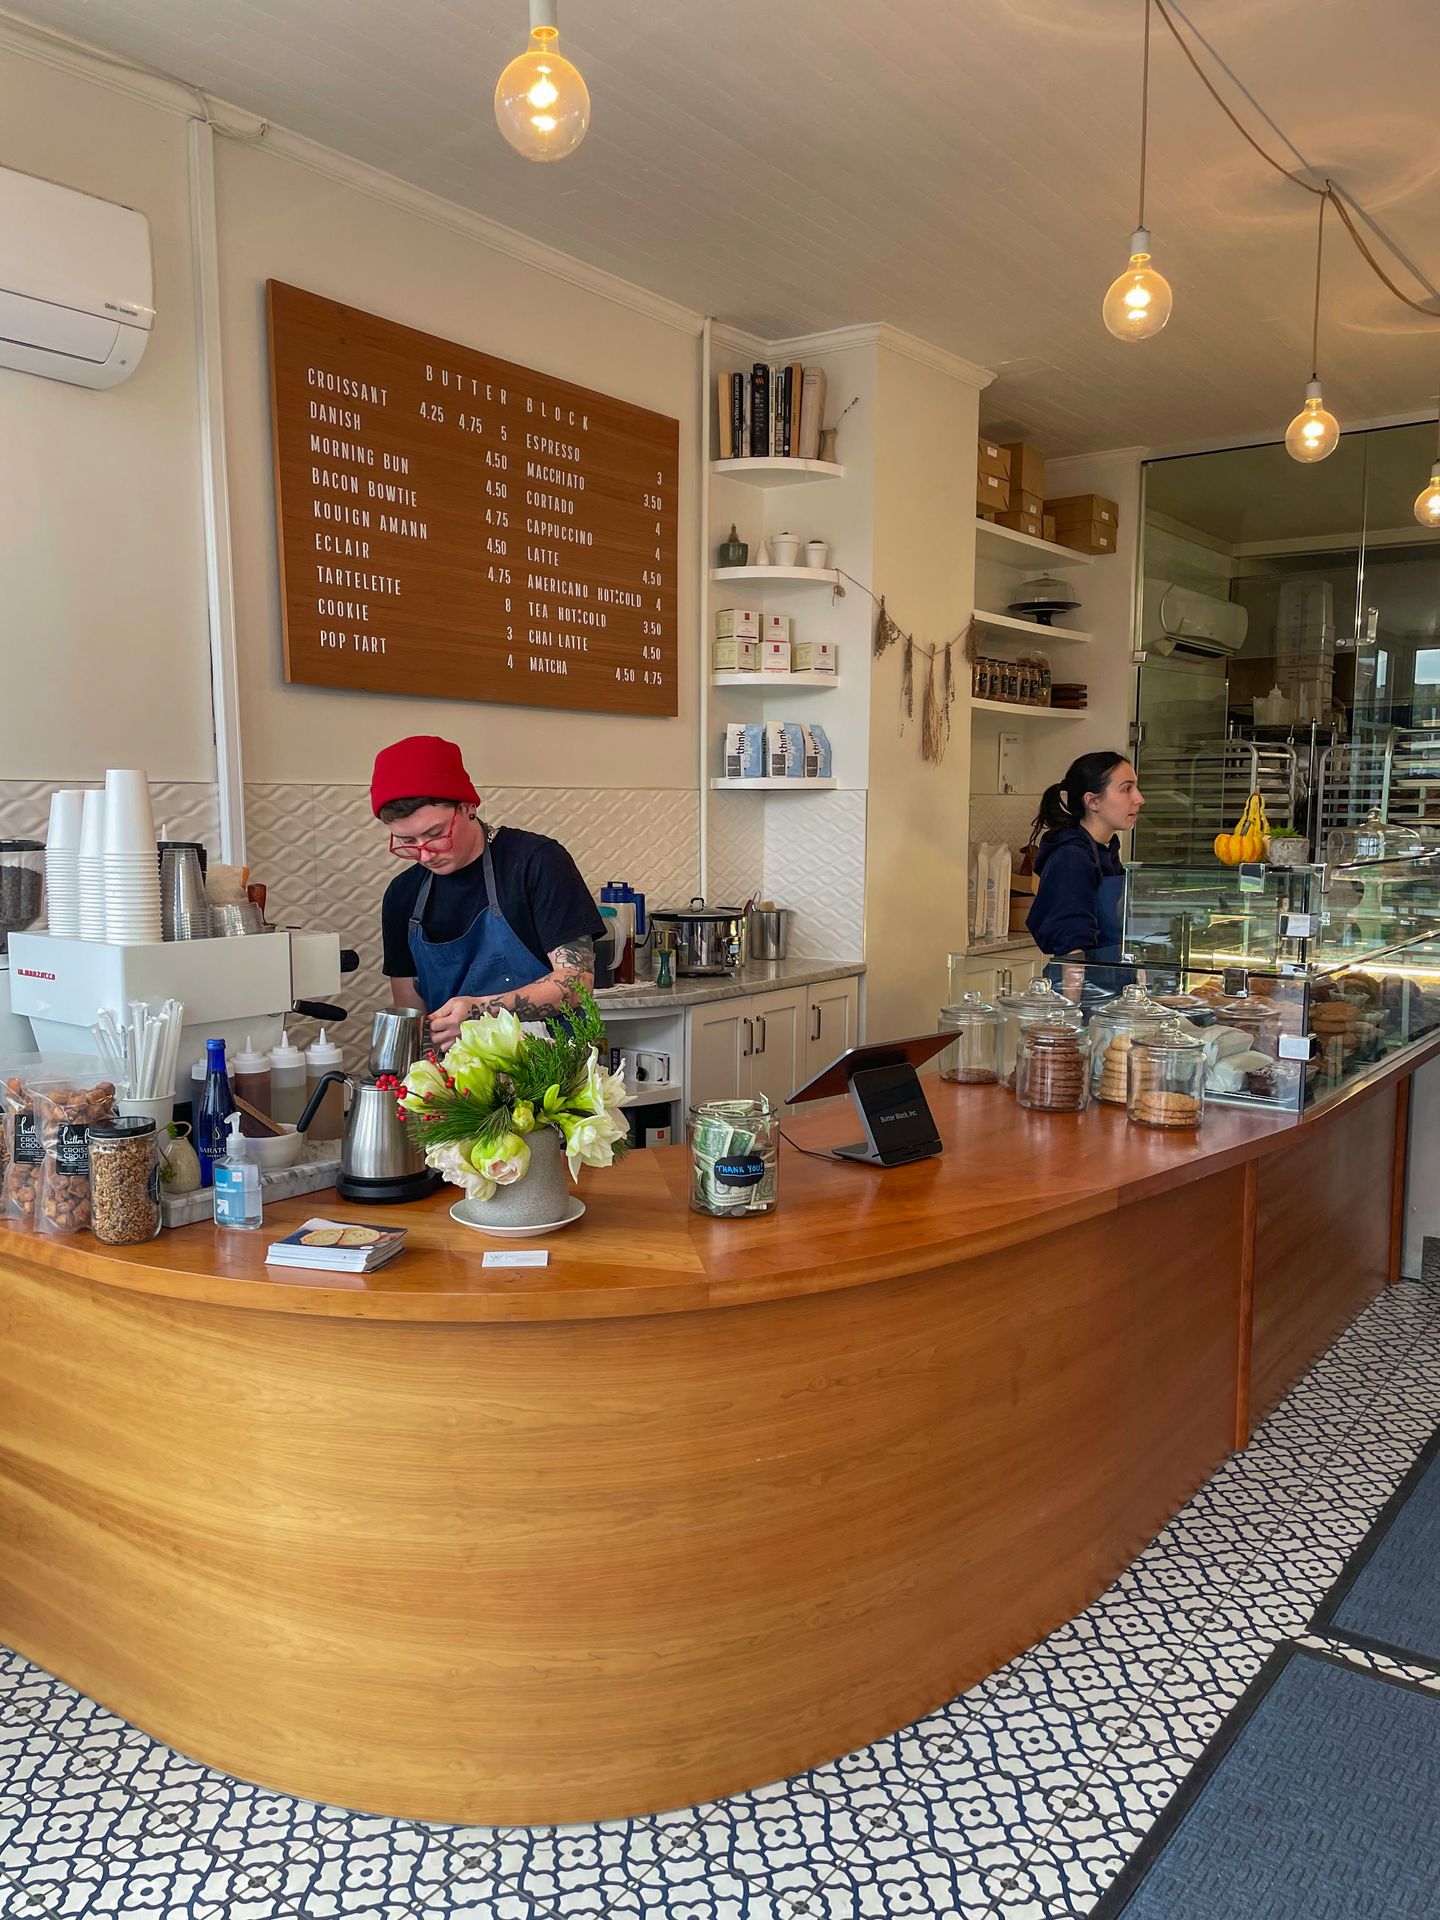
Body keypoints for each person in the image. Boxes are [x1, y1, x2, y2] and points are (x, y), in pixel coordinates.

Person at [372, 735, 604, 1050]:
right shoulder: (402, 895)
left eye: (436, 834)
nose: (425, 855)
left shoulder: (536, 862)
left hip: (552, 1075)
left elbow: (577, 982)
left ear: (468, 806)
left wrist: (484, 1012)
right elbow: (412, 1019)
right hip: (458, 1089)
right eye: (407, 842)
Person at [1026, 751, 1144, 996]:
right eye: (1126, 789)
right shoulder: (1072, 856)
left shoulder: (1106, 849)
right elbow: (1073, 949)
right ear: (1093, 801)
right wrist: (1072, 1018)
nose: (1139, 798)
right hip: (1083, 993)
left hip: (1109, 988)